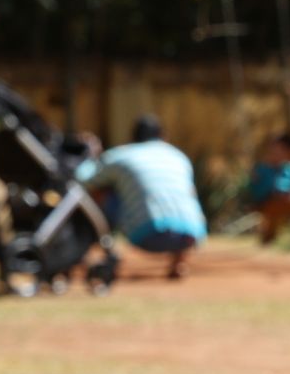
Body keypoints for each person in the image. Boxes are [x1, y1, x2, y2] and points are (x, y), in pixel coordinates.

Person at [76, 116, 207, 279]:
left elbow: (82, 179)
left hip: (146, 234)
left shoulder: (121, 155)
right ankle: (179, 261)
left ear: (133, 137)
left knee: (108, 191)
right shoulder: (179, 156)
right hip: (191, 234)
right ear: (163, 135)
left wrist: (90, 154)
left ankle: (108, 254)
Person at [247, 133, 290, 245]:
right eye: (272, 150)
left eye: (279, 150)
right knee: (281, 199)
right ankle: (270, 230)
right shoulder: (262, 169)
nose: (274, 153)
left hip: (286, 199)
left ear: (287, 153)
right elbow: (256, 189)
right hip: (266, 200)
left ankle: (273, 231)